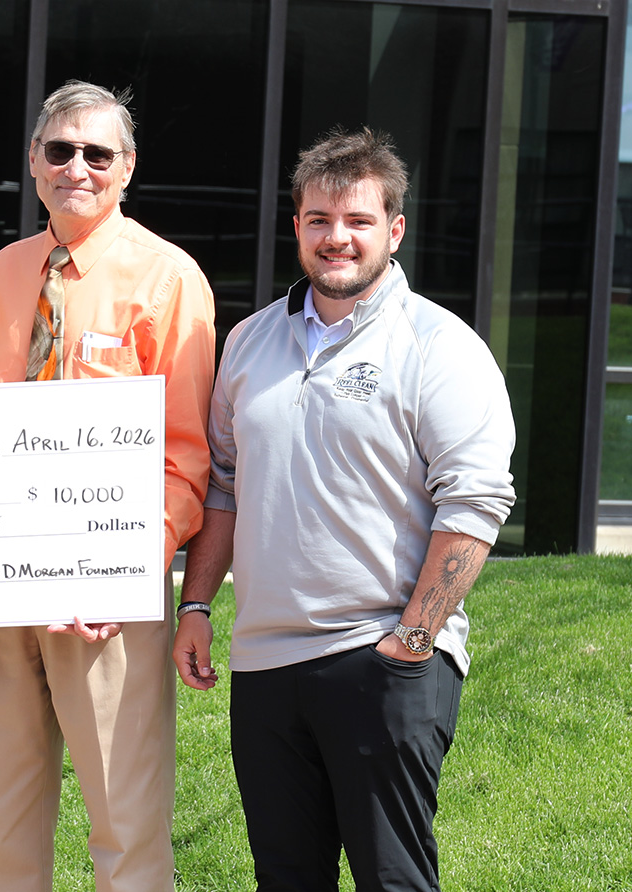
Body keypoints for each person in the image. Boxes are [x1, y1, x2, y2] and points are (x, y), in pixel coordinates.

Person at [172, 127, 516, 892]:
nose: (338, 238)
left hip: (380, 657)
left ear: (393, 231)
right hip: (264, 665)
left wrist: (415, 636)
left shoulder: (438, 344)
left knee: (392, 880)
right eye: (321, 220)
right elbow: (224, 483)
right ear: (296, 225)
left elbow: (476, 500)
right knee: (286, 880)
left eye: (358, 221)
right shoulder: (250, 341)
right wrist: (195, 604)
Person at [0, 80, 216, 892]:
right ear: (34, 162)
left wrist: (127, 565)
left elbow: (187, 459)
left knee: (126, 825)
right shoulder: (5, 270)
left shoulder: (169, 279)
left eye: (97, 153)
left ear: (127, 167)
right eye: (60, 149)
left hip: (107, 597)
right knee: (1, 819)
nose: (78, 166)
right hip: (1, 590)